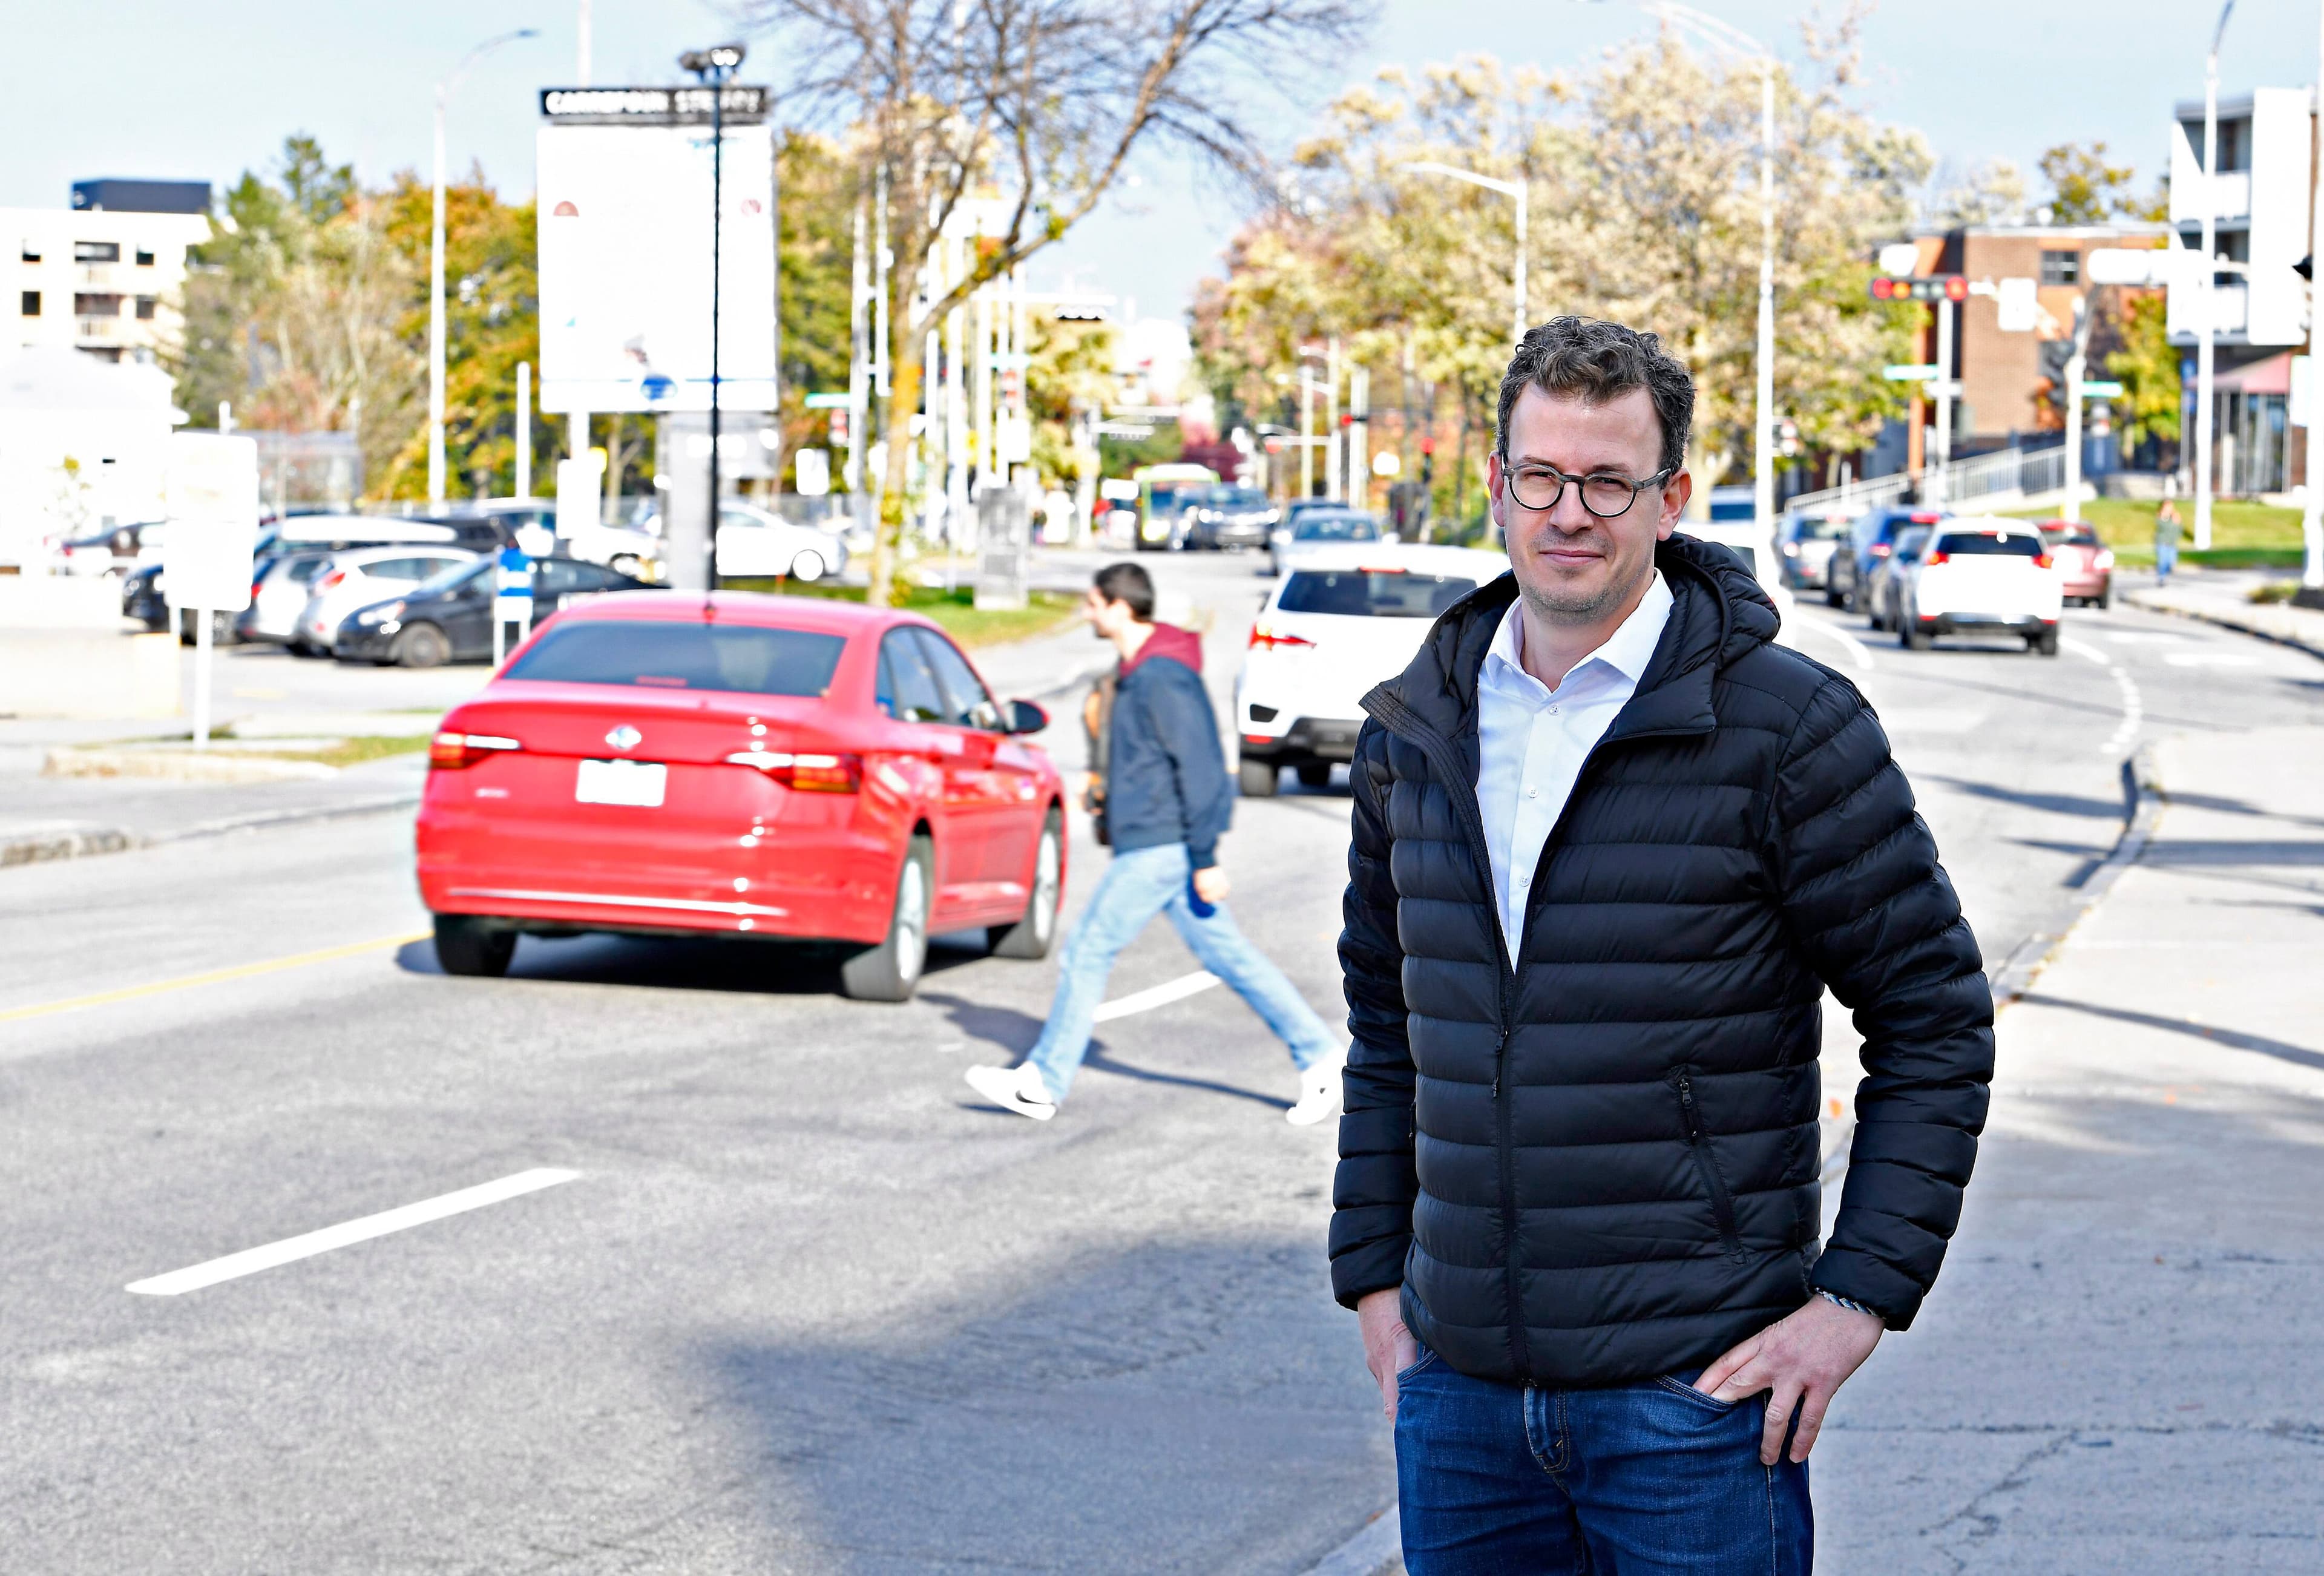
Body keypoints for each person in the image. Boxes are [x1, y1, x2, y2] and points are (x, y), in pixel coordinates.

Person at [1331, 316, 1995, 1573]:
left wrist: (1856, 1302)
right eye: (1540, 476)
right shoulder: (1415, 734)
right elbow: (1387, 1030)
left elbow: (1935, 1020)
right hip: (1461, 1403)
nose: (1567, 513)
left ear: (1670, 498)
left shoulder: (1785, 727)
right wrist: (1376, 1284)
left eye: (1607, 482)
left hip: (1694, 1403)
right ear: (1496, 484)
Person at [965, 562, 1345, 1126]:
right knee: (1227, 955)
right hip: (1157, 840)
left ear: (1119, 606)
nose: (1088, 613)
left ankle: (1043, 1081)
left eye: (1093, 604)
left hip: (1164, 846)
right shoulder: (1137, 672)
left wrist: (1205, 856)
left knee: (1088, 949)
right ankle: (1319, 1056)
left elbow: (1204, 769)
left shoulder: (1162, 677)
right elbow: (1150, 763)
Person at [2155, 488, 2184, 583]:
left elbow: (2179, 529)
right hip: (2163, 543)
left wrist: (2178, 524)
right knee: (2163, 562)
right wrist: (2165, 517)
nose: (2170, 509)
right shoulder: (2161, 516)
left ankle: (2165, 573)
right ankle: (2161, 578)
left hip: (2172, 543)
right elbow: (2161, 526)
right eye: (2168, 507)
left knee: (2171, 562)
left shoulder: (2175, 517)